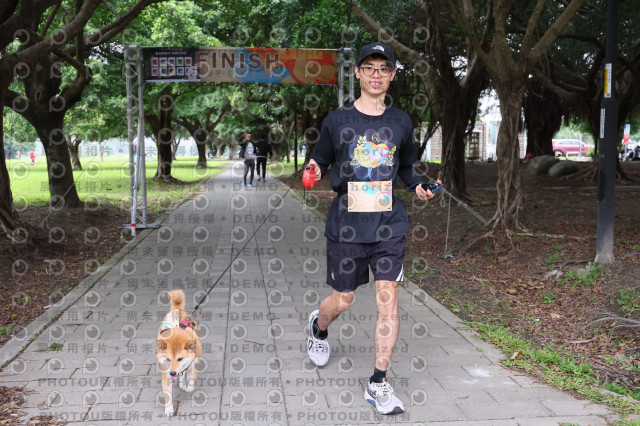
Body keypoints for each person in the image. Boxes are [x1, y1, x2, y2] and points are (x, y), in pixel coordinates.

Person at [305, 41, 440, 415]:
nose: (376, 75)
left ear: (392, 75)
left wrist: (419, 186)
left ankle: (378, 383)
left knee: (388, 297)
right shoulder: (337, 121)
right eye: (369, 68)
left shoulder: (401, 122)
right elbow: (319, 160)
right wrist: (313, 170)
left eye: (383, 69)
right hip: (347, 227)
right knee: (343, 300)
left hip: (388, 226)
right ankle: (318, 327)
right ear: (358, 73)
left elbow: (407, 167)